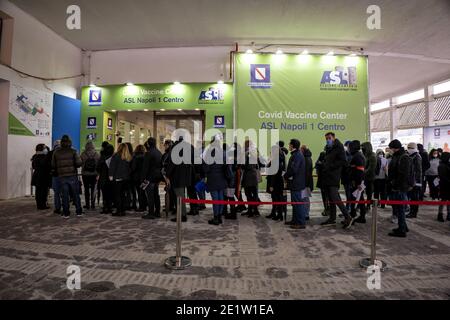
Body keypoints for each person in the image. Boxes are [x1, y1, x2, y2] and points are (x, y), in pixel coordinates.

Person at [320, 132, 353, 228]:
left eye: (329, 138)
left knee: (335, 197)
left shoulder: (339, 147)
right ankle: (332, 218)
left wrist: (330, 166)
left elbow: (343, 161)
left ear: (334, 138)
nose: (328, 140)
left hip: (334, 176)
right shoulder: (329, 148)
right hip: (328, 176)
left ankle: (348, 217)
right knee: (331, 198)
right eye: (326, 139)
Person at [165, 136, 196, 223]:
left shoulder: (175, 147)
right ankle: (184, 213)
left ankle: (182, 215)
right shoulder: (190, 146)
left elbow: (172, 162)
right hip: (187, 174)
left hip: (178, 175)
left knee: (179, 196)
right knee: (182, 195)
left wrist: (167, 174)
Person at [52, 135, 83, 218]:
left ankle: (66, 213)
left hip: (62, 176)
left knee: (65, 195)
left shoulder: (56, 152)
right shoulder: (73, 151)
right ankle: (79, 211)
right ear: (69, 142)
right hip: (72, 175)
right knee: (75, 194)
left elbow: (53, 165)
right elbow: (79, 163)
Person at [387, 139, 411, 237]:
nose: (390, 150)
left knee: (400, 209)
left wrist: (395, 184)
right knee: (398, 208)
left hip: (399, 187)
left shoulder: (403, 157)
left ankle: (402, 230)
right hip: (397, 186)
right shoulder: (397, 156)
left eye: (391, 148)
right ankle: (403, 226)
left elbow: (403, 174)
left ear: (395, 148)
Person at [203, 137, 229, 225]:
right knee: (220, 197)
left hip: (213, 178)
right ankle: (219, 217)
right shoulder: (224, 153)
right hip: (222, 178)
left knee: (215, 198)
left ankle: (216, 217)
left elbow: (206, 168)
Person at [284, 139, 307, 229]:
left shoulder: (297, 155)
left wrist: (285, 176)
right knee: (295, 203)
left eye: (289, 144)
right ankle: (295, 220)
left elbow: (294, 169)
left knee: (298, 203)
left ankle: (301, 223)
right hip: (296, 183)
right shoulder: (296, 154)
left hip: (297, 183)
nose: (288, 146)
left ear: (292, 146)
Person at [141, 137, 163, 219]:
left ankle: (151, 213)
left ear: (148, 144)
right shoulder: (158, 152)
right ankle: (157, 211)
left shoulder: (149, 153)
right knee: (156, 194)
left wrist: (142, 178)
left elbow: (145, 167)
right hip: (157, 176)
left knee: (150, 196)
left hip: (149, 177)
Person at [109, 143, 132, 216]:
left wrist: (111, 175)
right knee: (123, 195)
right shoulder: (128, 157)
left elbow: (112, 166)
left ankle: (119, 211)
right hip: (126, 179)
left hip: (117, 178)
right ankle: (123, 210)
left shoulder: (116, 156)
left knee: (117, 195)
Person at [266, 141, 287, 221]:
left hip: (275, 182)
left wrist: (271, 185)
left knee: (276, 198)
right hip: (279, 181)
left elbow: (274, 173)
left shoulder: (276, 159)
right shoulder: (281, 157)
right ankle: (276, 213)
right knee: (277, 198)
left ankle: (278, 214)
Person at [241, 140, 262, 217]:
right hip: (254, 175)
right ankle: (255, 210)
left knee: (248, 194)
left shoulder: (248, 153)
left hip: (249, 176)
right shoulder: (255, 152)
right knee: (255, 194)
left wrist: (241, 165)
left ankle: (251, 210)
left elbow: (247, 166)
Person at [348, 140, 366, 223]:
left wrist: (358, 183)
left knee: (355, 199)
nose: (348, 148)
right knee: (360, 199)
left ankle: (353, 217)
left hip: (357, 182)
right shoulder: (358, 155)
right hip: (357, 181)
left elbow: (359, 170)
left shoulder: (357, 156)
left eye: (349, 146)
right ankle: (361, 216)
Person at [80, 141, 100, 210]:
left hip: (85, 174)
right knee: (93, 189)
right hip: (94, 174)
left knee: (86, 189)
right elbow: (98, 165)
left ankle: (87, 204)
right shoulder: (97, 154)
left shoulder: (83, 154)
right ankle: (93, 204)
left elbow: (80, 163)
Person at [31, 143, 51, 210]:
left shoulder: (35, 156)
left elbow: (33, 166)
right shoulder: (44, 157)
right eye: (45, 147)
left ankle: (39, 205)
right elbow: (46, 166)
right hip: (43, 176)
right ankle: (42, 205)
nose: (46, 149)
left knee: (38, 191)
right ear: (41, 149)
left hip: (36, 175)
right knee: (43, 191)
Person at [97, 143, 114, 214]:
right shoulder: (113, 158)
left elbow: (98, 168)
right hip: (111, 178)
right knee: (110, 193)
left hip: (103, 178)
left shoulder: (102, 158)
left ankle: (105, 207)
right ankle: (110, 207)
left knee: (104, 194)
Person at [406, 142, 422, 219]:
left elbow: (418, 171)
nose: (409, 149)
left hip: (416, 182)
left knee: (414, 197)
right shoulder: (412, 156)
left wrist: (414, 182)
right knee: (412, 197)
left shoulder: (417, 157)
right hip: (412, 181)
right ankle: (412, 211)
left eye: (410, 148)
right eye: (408, 148)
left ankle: (413, 213)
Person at [130, 144, 147, 212]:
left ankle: (141, 206)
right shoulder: (146, 156)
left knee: (139, 192)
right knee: (143, 191)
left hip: (137, 178)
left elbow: (133, 167)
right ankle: (145, 205)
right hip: (144, 177)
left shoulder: (135, 157)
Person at [161, 139, 176, 215]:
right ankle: (170, 206)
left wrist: (167, 175)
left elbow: (167, 165)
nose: (164, 146)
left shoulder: (169, 153)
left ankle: (172, 206)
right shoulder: (168, 153)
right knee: (170, 191)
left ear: (168, 145)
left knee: (171, 192)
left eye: (165, 145)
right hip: (168, 175)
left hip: (170, 176)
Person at [361, 142, 376, 210]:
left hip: (370, 177)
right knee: (362, 191)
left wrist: (363, 172)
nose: (362, 149)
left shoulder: (372, 156)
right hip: (365, 177)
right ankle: (362, 205)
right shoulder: (365, 155)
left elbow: (371, 168)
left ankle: (368, 205)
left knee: (369, 192)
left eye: (363, 148)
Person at [48, 140, 62, 214]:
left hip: (55, 175)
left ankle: (57, 208)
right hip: (64, 174)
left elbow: (49, 165)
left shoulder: (50, 153)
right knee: (64, 192)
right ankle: (65, 207)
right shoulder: (65, 152)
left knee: (56, 193)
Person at [315, 150, 330, 217]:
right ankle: (327, 209)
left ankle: (327, 209)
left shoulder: (320, 164)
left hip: (323, 182)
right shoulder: (326, 162)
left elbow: (317, 169)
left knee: (325, 197)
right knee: (327, 197)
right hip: (326, 182)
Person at [301, 145, 313, 221]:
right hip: (307, 181)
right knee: (305, 198)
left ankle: (306, 214)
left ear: (303, 150)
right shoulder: (308, 158)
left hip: (306, 182)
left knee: (305, 199)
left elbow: (306, 173)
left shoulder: (306, 159)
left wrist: (305, 183)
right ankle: (305, 213)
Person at [437, 152, 450, 222]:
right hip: (444, 185)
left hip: (447, 185)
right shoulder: (441, 165)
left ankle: (449, 214)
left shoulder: (447, 164)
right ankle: (440, 214)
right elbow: (442, 176)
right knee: (443, 200)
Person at [342, 140, 353, 212]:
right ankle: (348, 208)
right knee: (347, 194)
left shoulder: (352, 155)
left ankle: (349, 209)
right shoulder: (344, 154)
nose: (346, 147)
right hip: (345, 177)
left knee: (350, 195)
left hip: (350, 178)